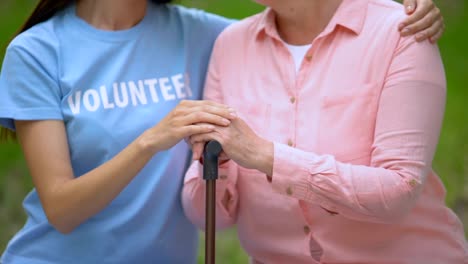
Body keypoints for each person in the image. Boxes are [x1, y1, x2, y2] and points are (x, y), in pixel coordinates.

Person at [0, 0, 446, 263]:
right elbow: (61, 208)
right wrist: (151, 140)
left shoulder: (204, 34)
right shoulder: (37, 52)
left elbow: (306, 26)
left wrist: (403, 14)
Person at [182, 0, 467, 264]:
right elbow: (211, 217)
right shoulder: (230, 45)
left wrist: (266, 156)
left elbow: (398, 191)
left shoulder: (399, 30)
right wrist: (214, 165)